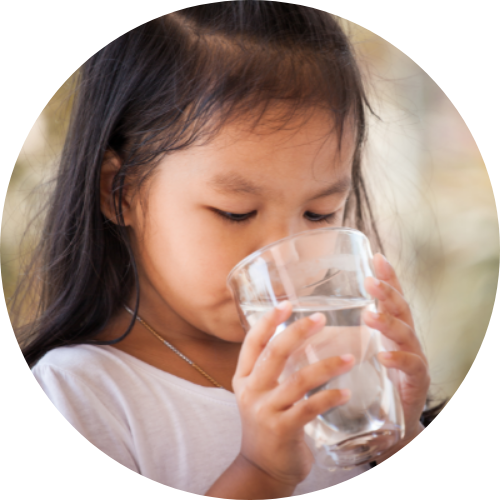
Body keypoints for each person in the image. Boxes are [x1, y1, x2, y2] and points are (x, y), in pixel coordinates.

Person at [14, 2, 433, 498]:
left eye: (320, 213)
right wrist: (260, 474)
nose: (285, 256)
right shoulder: (77, 396)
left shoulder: (334, 362)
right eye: (236, 213)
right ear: (119, 192)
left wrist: (404, 442)